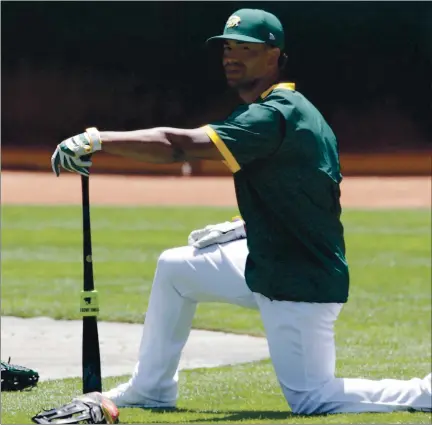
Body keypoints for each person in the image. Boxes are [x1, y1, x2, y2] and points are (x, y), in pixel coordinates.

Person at [51, 9, 431, 415]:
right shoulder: (291, 108)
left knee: (312, 398)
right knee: (176, 269)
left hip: (299, 279)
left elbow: (179, 146)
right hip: (267, 258)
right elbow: (303, 190)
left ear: (274, 55)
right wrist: (250, 227)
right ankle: (151, 388)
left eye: (245, 49)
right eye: (228, 48)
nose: (231, 57)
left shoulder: (272, 115)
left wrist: (97, 139)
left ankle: (424, 393)